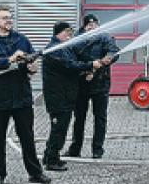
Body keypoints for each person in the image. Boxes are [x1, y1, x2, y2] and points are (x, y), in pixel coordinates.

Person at [0, 5, 51, 184]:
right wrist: (9, 59)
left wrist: (32, 68)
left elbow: (30, 63)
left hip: (21, 96)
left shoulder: (21, 40)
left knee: (27, 136)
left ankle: (35, 172)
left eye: (10, 17)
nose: (8, 20)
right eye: (4, 18)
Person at [41, 21, 103, 171]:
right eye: (67, 32)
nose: (70, 35)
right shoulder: (54, 50)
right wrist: (90, 65)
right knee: (59, 129)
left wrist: (86, 70)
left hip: (66, 96)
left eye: (70, 32)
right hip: (58, 97)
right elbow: (69, 65)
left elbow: (74, 65)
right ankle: (51, 161)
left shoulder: (65, 47)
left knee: (60, 128)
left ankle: (49, 155)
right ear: (59, 33)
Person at [66, 14, 119, 159]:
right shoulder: (76, 39)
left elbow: (114, 51)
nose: (92, 27)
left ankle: (97, 149)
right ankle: (75, 149)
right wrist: (86, 70)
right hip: (81, 84)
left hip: (101, 83)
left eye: (94, 25)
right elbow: (71, 60)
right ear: (84, 27)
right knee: (79, 118)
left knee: (100, 117)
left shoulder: (105, 37)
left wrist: (108, 58)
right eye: (89, 25)